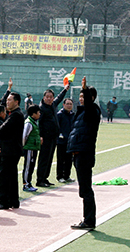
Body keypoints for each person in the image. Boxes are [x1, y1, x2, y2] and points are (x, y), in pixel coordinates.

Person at [69, 76, 101, 230]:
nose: (81, 99)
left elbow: (88, 105)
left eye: (83, 96)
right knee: (84, 188)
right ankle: (88, 219)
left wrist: (84, 89)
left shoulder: (92, 111)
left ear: (91, 98)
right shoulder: (81, 113)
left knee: (86, 189)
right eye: (80, 96)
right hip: (78, 153)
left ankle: (89, 221)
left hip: (85, 154)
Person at [0, 89, 24, 210]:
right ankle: (13, 201)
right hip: (13, 150)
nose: (7, 102)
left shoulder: (16, 115)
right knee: (11, 176)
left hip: (10, 150)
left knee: (5, 176)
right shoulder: (14, 114)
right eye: (7, 100)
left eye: (10, 100)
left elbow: (2, 131)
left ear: (16, 102)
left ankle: (4, 201)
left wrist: (0, 128)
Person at [36, 83, 69, 187]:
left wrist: (65, 89)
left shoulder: (53, 105)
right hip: (45, 138)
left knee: (49, 158)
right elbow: (39, 123)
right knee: (43, 159)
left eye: (51, 97)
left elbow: (59, 98)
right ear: (44, 97)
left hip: (53, 137)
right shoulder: (41, 108)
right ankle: (40, 180)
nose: (49, 99)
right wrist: (40, 136)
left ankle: (45, 178)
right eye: (47, 97)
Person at [22, 105, 42, 192]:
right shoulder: (29, 123)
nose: (40, 114)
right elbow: (24, 136)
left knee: (31, 166)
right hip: (29, 148)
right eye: (38, 112)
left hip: (34, 148)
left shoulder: (34, 122)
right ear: (33, 114)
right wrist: (24, 146)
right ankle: (25, 184)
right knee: (27, 166)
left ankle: (29, 183)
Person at [56, 98, 75, 183]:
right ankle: (60, 176)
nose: (69, 105)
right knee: (61, 159)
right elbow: (57, 127)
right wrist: (60, 135)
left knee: (69, 160)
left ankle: (67, 176)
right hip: (61, 141)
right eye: (67, 104)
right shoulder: (59, 115)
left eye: (70, 104)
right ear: (63, 105)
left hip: (70, 141)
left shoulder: (73, 115)